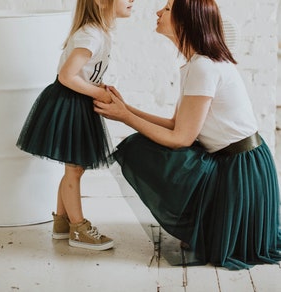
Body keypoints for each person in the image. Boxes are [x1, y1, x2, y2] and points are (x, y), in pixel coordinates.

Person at [94, 0, 281, 269]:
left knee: (138, 149)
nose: (158, 12)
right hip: (236, 161)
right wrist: (126, 109)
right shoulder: (197, 63)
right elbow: (175, 124)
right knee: (144, 145)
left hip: (241, 168)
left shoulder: (203, 67)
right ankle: (203, 227)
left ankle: (201, 228)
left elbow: (181, 138)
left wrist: (125, 117)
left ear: (186, 20)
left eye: (167, 9)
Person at [16, 0, 135, 251]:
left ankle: (62, 222)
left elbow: (81, 74)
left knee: (74, 167)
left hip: (76, 102)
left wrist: (98, 87)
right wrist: (98, 93)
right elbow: (67, 76)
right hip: (69, 103)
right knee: (74, 169)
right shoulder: (91, 34)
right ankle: (78, 228)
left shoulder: (99, 32)